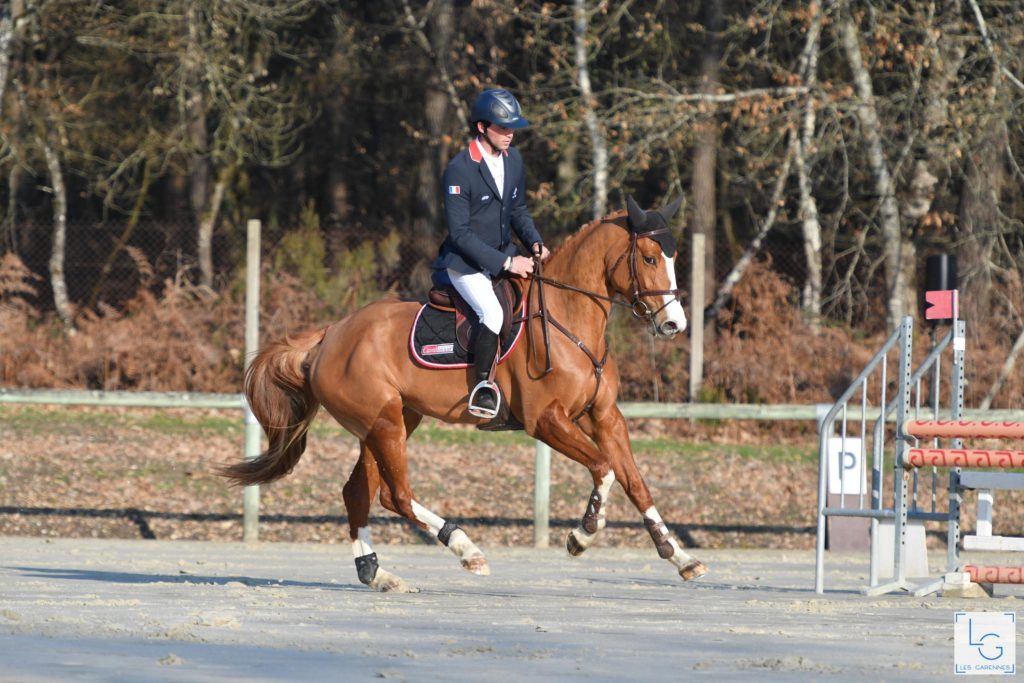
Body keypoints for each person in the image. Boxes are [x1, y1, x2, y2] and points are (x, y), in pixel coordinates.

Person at [432, 88, 550, 419]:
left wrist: (535, 242)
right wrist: (508, 262)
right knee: (493, 315)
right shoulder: (460, 169)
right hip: (465, 264)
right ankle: (483, 388)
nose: (510, 134)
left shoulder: (514, 160)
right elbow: (460, 234)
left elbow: (519, 210)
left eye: (513, 127)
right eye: (503, 127)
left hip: (504, 255)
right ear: (482, 127)